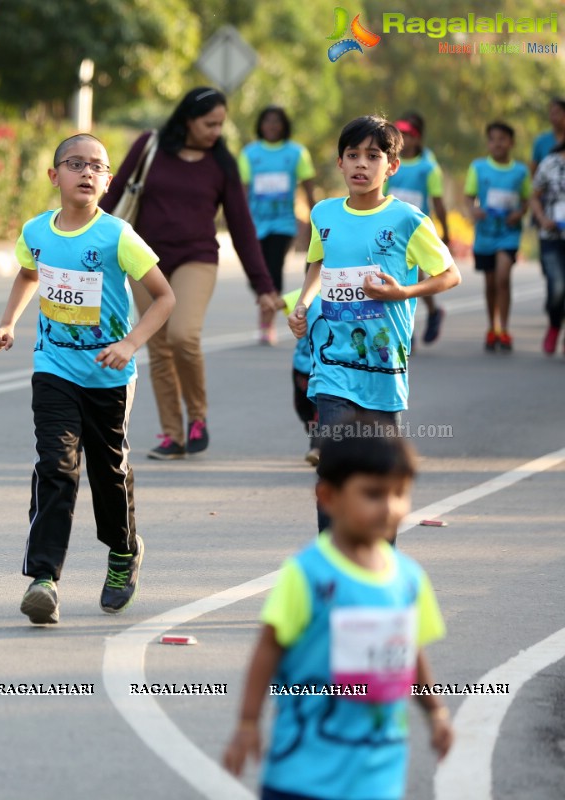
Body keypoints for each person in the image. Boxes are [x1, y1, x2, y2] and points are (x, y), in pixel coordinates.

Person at [0, 133, 175, 625]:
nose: (87, 173)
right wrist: (8, 322)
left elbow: (164, 297)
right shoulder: (36, 231)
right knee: (56, 466)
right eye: (75, 164)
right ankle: (44, 578)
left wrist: (130, 344)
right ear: (55, 176)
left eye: (97, 166)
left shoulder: (118, 236)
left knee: (107, 474)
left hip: (109, 376)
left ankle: (122, 552)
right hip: (53, 369)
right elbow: (30, 274)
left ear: (109, 181)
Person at [222, 425, 454, 800]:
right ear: (328, 496)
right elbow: (268, 649)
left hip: (378, 776)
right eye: (373, 494)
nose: (389, 507)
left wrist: (436, 712)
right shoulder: (307, 574)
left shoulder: (409, 579)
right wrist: (247, 723)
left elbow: (409, 651)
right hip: (302, 773)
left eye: (400, 493)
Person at [288, 116, 460, 532]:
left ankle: (380, 561)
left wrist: (402, 292)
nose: (361, 164)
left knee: (380, 470)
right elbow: (317, 262)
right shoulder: (324, 213)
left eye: (373, 155)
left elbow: (450, 274)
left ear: (392, 166)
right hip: (333, 364)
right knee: (333, 463)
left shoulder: (407, 220)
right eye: (352, 156)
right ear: (340, 163)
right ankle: (333, 555)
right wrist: (304, 304)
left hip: (384, 366)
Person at [101, 87, 280, 460]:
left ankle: (197, 418)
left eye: (220, 124)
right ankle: (172, 435)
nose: (216, 131)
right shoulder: (150, 147)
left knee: (183, 335)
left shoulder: (222, 164)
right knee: (159, 347)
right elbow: (114, 192)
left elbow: (242, 226)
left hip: (196, 258)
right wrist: (73, 237)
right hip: (144, 260)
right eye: (208, 123)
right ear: (187, 119)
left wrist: (263, 285)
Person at [239, 106, 317, 345]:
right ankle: (268, 302)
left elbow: (308, 185)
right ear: (260, 125)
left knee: (273, 267)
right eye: (267, 121)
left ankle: (267, 323)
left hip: (283, 223)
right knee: (256, 274)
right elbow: (242, 190)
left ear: (284, 125)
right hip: (255, 223)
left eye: (277, 121)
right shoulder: (250, 153)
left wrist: (317, 217)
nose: (272, 126)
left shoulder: (296, 153)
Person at [466, 121, 530, 352]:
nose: (497, 144)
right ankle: (491, 327)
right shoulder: (478, 167)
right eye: (493, 139)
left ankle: (504, 329)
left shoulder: (521, 171)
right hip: (485, 235)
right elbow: (469, 196)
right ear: (488, 143)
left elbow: (526, 200)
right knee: (491, 282)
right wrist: (473, 210)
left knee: (503, 278)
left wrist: (520, 212)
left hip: (509, 234)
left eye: (502, 139)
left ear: (511, 143)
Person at [388, 113, 450, 345]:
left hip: (415, 230)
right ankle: (407, 330)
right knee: (398, 277)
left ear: (418, 138)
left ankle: (431, 312)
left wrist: (445, 231)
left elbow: (438, 201)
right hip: (391, 228)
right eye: (399, 132)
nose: (403, 138)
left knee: (415, 278)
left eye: (408, 134)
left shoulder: (428, 168)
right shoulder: (389, 162)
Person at [530, 139, 565, 355]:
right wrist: (542, 219)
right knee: (557, 288)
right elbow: (534, 196)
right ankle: (554, 324)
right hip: (551, 235)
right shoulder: (550, 162)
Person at [282, 291, 322, 466]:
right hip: (302, 366)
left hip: (324, 369)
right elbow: (282, 302)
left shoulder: (342, 295)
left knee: (321, 409)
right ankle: (317, 438)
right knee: (303, 409)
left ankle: (319, 447)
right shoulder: (304, 295)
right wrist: (268, 299)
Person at [530, 98, 565, 177]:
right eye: (552, 113)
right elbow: (533, 172)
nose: (554, 117)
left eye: (558, 113)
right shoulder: (541, 141)